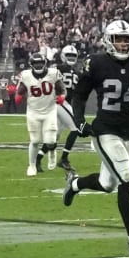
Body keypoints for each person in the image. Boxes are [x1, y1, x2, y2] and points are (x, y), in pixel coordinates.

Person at [62, 19, 129, 257]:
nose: (122, 44)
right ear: (108, 40)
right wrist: (79, 122)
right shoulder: (96, 62)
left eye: (127, 40)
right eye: (118, 39)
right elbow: (79, 96)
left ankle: (75, 184)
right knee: (126, 177)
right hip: (105, 130)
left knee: (109, 184)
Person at [16, 51, 62, 176]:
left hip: (50, 110)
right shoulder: (26, 75)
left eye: (41, 63)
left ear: (45, 63)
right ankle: (31, 166)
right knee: (35, 141)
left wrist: (62, 96)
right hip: (33, 112)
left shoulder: (53, 74)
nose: (38, 65)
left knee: (51, 141)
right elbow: (20, 90)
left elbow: (61, 89)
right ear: (31, 64)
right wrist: (19, 95)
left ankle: (52, 152)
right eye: (36, 63)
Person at [54, 44, 84, 172]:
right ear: (62, 56)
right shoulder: (57, 69)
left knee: (55, 136)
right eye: (69, 55)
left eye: (73, 55)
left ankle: (38, 159)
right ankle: (64, 159)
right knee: (75, 128)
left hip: (66, 104)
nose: (71, 57)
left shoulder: (77, 72)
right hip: (58, 103)